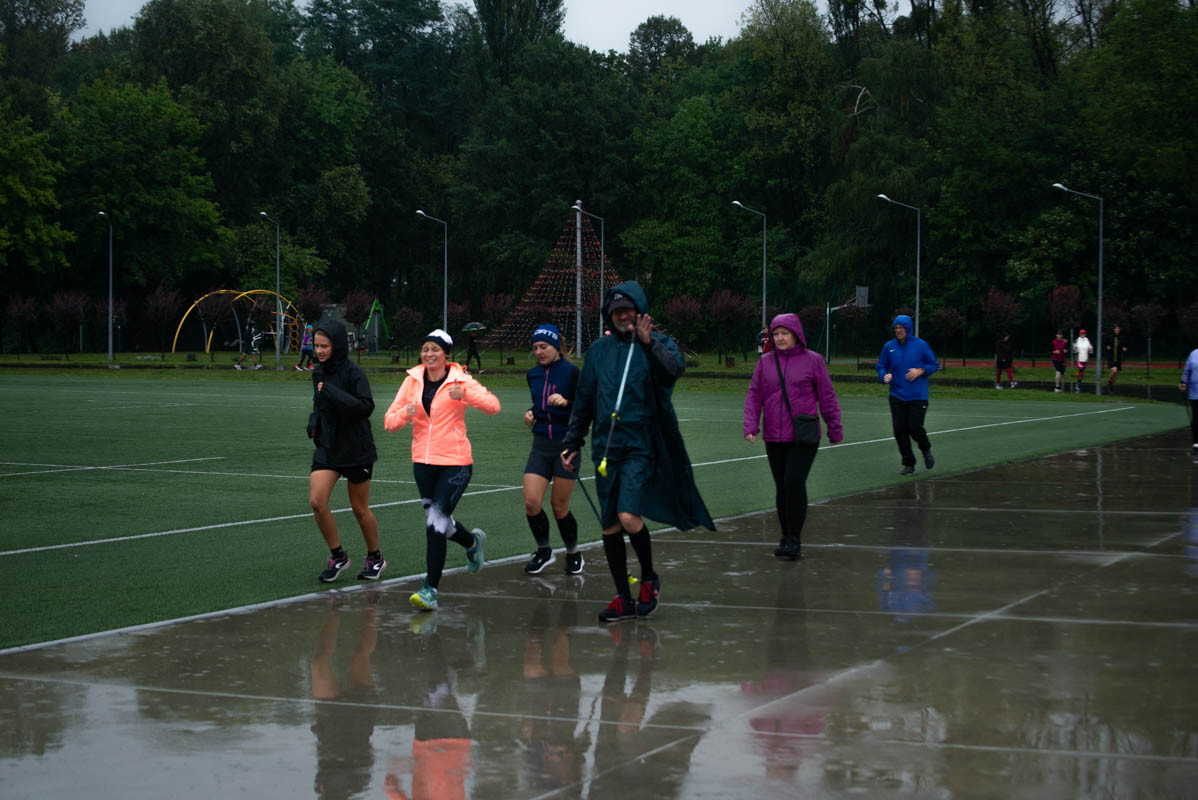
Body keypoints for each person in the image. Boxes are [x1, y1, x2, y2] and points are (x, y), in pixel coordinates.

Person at [561, 281, 714, 623]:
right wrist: (573, 442)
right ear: (609, 315)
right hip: (605, 449)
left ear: (641, 312)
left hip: (640, 446)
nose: (623, 316)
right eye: (617, 312)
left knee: (629, 515)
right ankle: (622, 598)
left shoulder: (658, 344)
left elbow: (673, 370)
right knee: (610, 525)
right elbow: (584, 401)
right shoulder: (599, 351)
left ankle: (649, 578)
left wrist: (648, 345)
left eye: (628, 310)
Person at [384, 329, 501, 612]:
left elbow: (493, 406)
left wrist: (467, 396)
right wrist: (405, 414)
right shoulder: (412, 381)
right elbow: (389, 421)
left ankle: (430, 590)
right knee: (440, 524)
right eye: (425, 349)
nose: (429, 354)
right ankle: (472, 542)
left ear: (446, 353)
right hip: (423, 464)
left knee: (435, 523)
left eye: (435, 349)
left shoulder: (461, 379)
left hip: (456, 462)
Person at [743, 313, 843, 560]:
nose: (779, 338)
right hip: (774, 436)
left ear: (796, 335)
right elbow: (754, 395)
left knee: (793, 482)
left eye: (784, 333)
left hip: (803, 436)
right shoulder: (765, 362)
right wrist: (750, 425)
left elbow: (827, 396)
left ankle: (794, 539)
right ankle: (785, 537)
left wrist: (834, 427)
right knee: (781, 487)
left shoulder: (814, 361)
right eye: (776, 334)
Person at [307, 319, 385, 582]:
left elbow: (365, 408)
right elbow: (319, 404)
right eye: (316, 346)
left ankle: (375, 557)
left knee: (359, 509)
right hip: (329, 448)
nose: (319, 351)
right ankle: (338, 556)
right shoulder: (318, 373)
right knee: (317, 502)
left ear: (337, 345)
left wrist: (331, 391)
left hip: (356, 448)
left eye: (324, 346)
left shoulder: (354, 373)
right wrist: (314, 421)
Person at [522, 323, 583, 575]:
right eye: (535, 347)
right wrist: (531, 413)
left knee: (559, 506)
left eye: (543, 346)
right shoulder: (533, 375)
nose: (539, 351)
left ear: (556, 347)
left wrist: (567, 401)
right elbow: (538, 405)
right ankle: (544, 550)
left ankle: (573, 552)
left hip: (566, 446)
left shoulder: (571, 372)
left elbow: (585, 407)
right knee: (531, 502)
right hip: (540, 445)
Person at [876, 314, 938, 475]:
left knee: (914, 427)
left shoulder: (921, 345)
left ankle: (926, 450)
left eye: (901, 328)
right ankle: (908, 463)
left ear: (908, 329)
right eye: (896, 328)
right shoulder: (889, 346)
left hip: (918, 395)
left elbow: (934, 364)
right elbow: (881, 365)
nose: (898, 331)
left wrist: (920, 370)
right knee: (899, 430)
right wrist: (884, 376)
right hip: (897, 395)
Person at [1181, 346, 1198, 455]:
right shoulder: (1193, 354)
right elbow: (1187, 370)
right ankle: (1196, 444)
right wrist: (1183, 382)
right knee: (1196, 418)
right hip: (1195, 393)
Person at [1106, 323, 1129, 389]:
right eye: (1116, 328)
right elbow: (1106, 343)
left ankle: (1112, 387)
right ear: (1114, 329)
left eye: (1118, 328)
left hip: (1118, 357)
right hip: (1111, 357)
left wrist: (1124, 348)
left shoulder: (1122, 337)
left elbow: (1125, 345)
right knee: (1114, 371)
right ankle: (1109, 382)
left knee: (1116, 373)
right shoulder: (1109, 337)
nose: (1117, 329)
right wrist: (1107, 346)